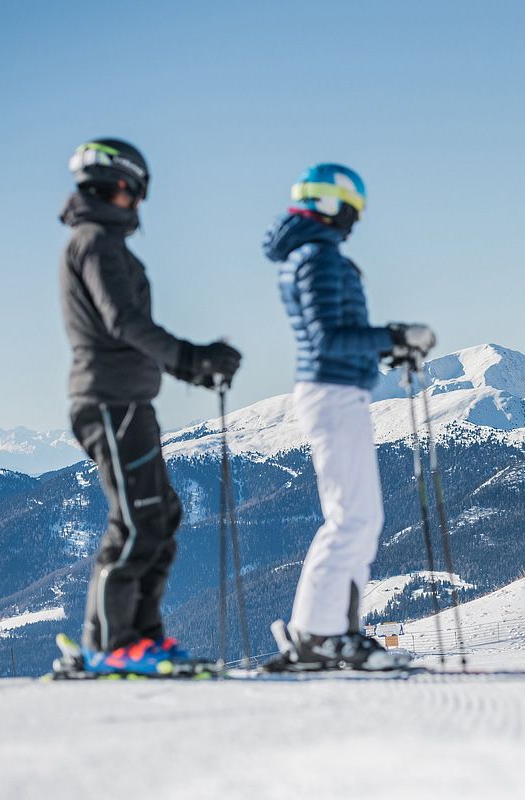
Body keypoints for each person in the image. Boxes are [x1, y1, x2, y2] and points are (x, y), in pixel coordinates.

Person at [59, 138, 242, 674]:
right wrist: (189, 359)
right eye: (138, 191)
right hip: (108, 400)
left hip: (129, 399)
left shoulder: (103, 243)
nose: (140, 203)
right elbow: (122, 321)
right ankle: (113, 646)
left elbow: (125, 327)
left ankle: (138, 637)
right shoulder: (95, 242)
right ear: (123, 184)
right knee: (138, 520)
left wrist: (189, 364)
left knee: (160, 515)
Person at [261, 163, 434, 670]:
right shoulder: (318, 259)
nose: (354, 221)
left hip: (335, 389)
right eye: (352, 210)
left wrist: (385, 346)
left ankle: (323, 633)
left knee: (356, 517)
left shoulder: (311, 256)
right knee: (353, 517)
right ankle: (324, 634)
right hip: (333, 394)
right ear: (332, 206)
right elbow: (328, 339)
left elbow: (334, 337)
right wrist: (395, 337)